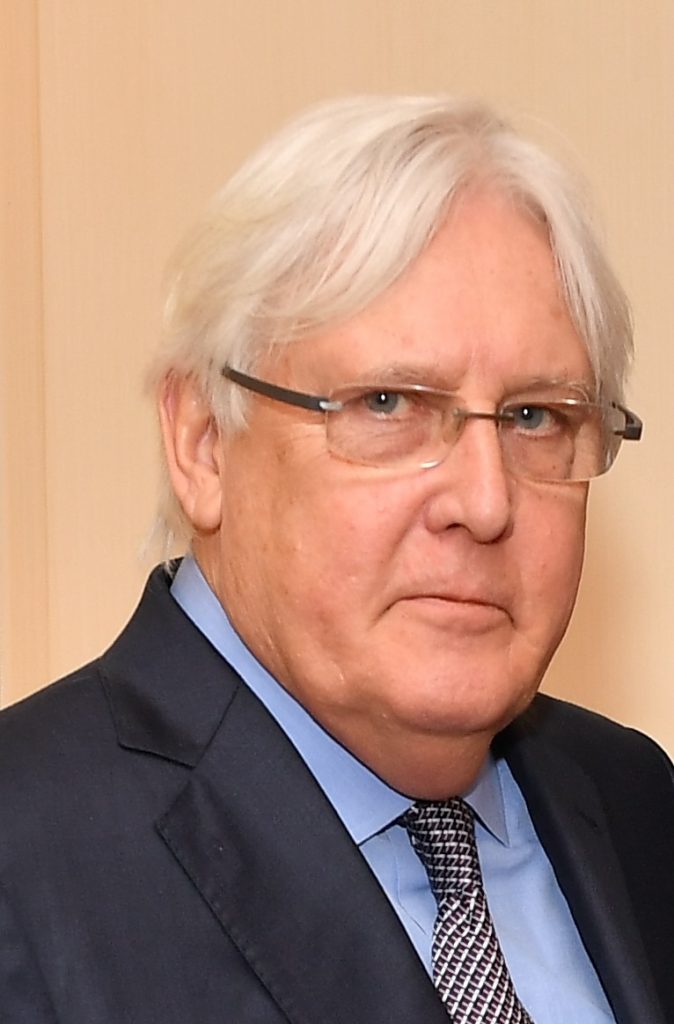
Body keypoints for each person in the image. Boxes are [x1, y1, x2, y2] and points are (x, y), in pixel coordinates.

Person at [0, 96, 671, 1024]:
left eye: (535, 417)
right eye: (389, 404)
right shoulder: (24, 855)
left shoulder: (635, 802)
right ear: (203, 442)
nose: (485, 502)